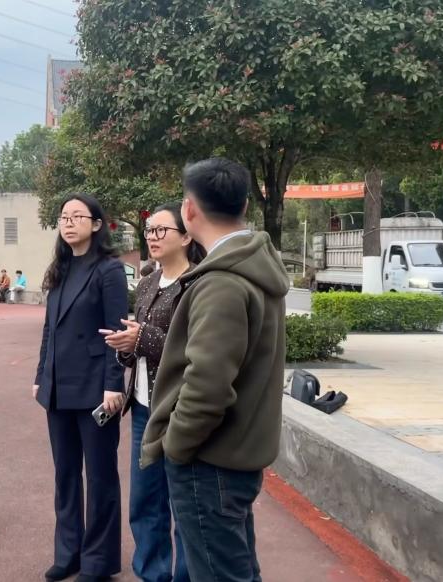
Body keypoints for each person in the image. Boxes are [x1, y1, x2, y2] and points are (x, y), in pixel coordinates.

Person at [141, 158, 289, 581]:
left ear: (189, 210)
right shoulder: (252, 266)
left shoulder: (222, 282)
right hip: (234, 455)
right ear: (245, 204)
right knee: (236, 570)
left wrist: (176, 446)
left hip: (209, 461)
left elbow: (207, 386)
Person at [104, 202, 205, 582]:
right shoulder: (147, 284)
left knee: (184, 506)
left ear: (187, 235)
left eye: (162, 230)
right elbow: (141, 348)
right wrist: (125, 347)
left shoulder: (198, 284)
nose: (152, 237)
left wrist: (142, 337)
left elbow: (195, 349)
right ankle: (152, 574)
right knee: (145, 502)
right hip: (144, 409)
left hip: (180, 410)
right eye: (149, 230)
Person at [34, 193, 128, 582]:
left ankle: (98, 561)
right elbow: (49, 330)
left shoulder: (109, 270)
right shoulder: (60, 268)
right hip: (58, 388)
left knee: (101, 477)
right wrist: (41, 375)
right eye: (64, 217)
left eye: (77, 216)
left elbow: (116, 332)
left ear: (96, 224)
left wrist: (113, 384)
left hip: (95, 389)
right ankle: (68, 552)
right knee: (66, 475)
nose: (69, 222)